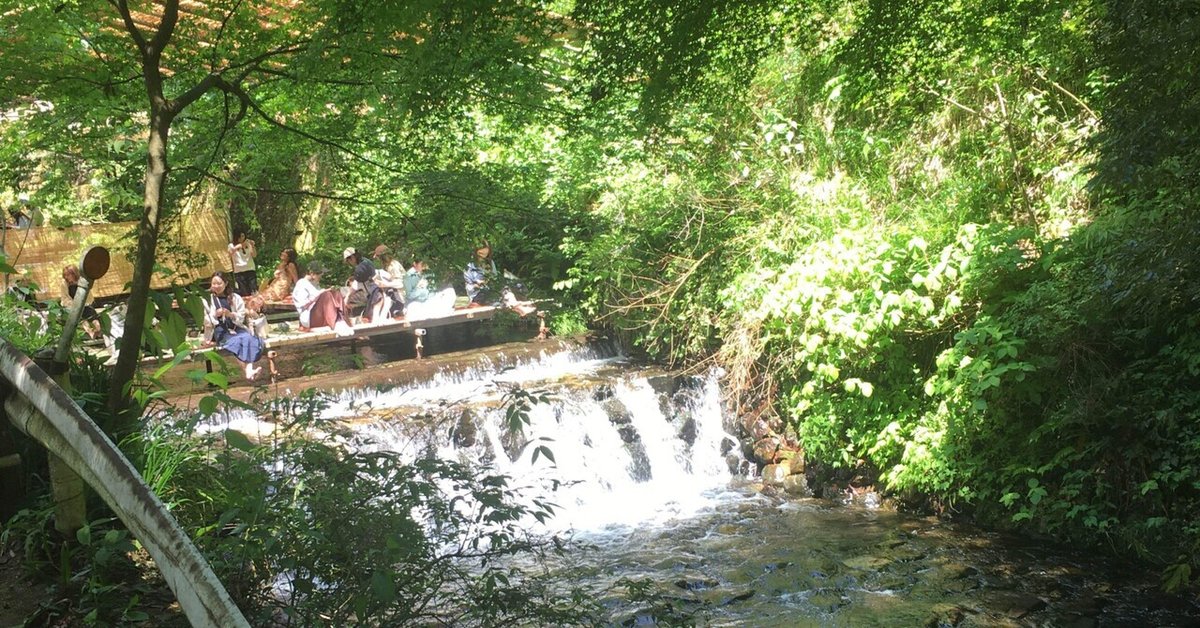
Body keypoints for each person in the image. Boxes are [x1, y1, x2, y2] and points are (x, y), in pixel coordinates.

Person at [201, 271, 267, 381]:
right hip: (219, 331)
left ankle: (249, 371)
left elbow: (241, 317)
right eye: (214, 284)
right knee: (237, 341)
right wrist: (215, 315)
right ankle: (249, 371)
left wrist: (230, 314)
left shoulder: (235, 297)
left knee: (248, 338)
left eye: (219, 283)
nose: (216, 286)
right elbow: (206, 320)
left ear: (226, 283)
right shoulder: (207, 300)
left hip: (236, 327)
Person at [292, 260, 354, 336]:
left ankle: (342, 321)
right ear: (312, 273)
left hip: (319, 316)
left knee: (336, 293)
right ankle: (335, 324)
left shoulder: (315, 284)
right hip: (308, 317)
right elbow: (302, 304)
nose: (322, 276)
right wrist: (319, 294)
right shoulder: (301, 284)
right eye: (320, 274)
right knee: (326, 295)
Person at [343, 247, 389, 323]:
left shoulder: (360, 269)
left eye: (348, 261)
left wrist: (347, 298)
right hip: (376, 292)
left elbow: (356, 285)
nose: (349, 263)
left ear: (353, 257)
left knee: (349, 300)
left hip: (374, 294)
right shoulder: (366, 261)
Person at [62, 265, 102, 339]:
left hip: (85, 305)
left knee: (92, 314)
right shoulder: (64, 283)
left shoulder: (82, 281)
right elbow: (65, 297)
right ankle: (91, 332)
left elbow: (88, 297)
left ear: (74, 274)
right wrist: (74, 304)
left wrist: (83, 304)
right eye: (65, 275)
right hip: (72, 307)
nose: (66, 277)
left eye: (68, 275)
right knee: (80, 317)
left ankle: (98, 330)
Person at [372, 244, 406, 316]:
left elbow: (400, 283)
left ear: (383, 257)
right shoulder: (387, 266)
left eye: (378, 256)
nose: (376, 258)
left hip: (401, 297)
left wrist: (385, 284)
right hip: (393, 296)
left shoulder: (393, 266)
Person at [228, 230, 258, 296]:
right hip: (239, 271)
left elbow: (254, 255)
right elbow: (229, 253)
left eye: (243, 236)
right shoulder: (231, 245)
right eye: (240, 236)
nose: (242, 238)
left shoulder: (248, 244)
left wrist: (251, 246)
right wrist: (239, 246)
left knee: (253, 290)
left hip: (250, 269)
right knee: (244, 291)